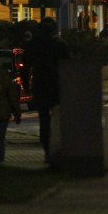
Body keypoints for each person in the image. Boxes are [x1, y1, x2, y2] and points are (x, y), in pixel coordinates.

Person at [26, 17, 68, 162]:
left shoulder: (34, 45)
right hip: (57, 84)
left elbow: (26, 66)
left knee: (44, 120)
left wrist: (26, 86)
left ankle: (48, 151)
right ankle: (58, 150)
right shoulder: (60, 45)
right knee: (59, 118)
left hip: (41, 84)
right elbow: (68, 66)